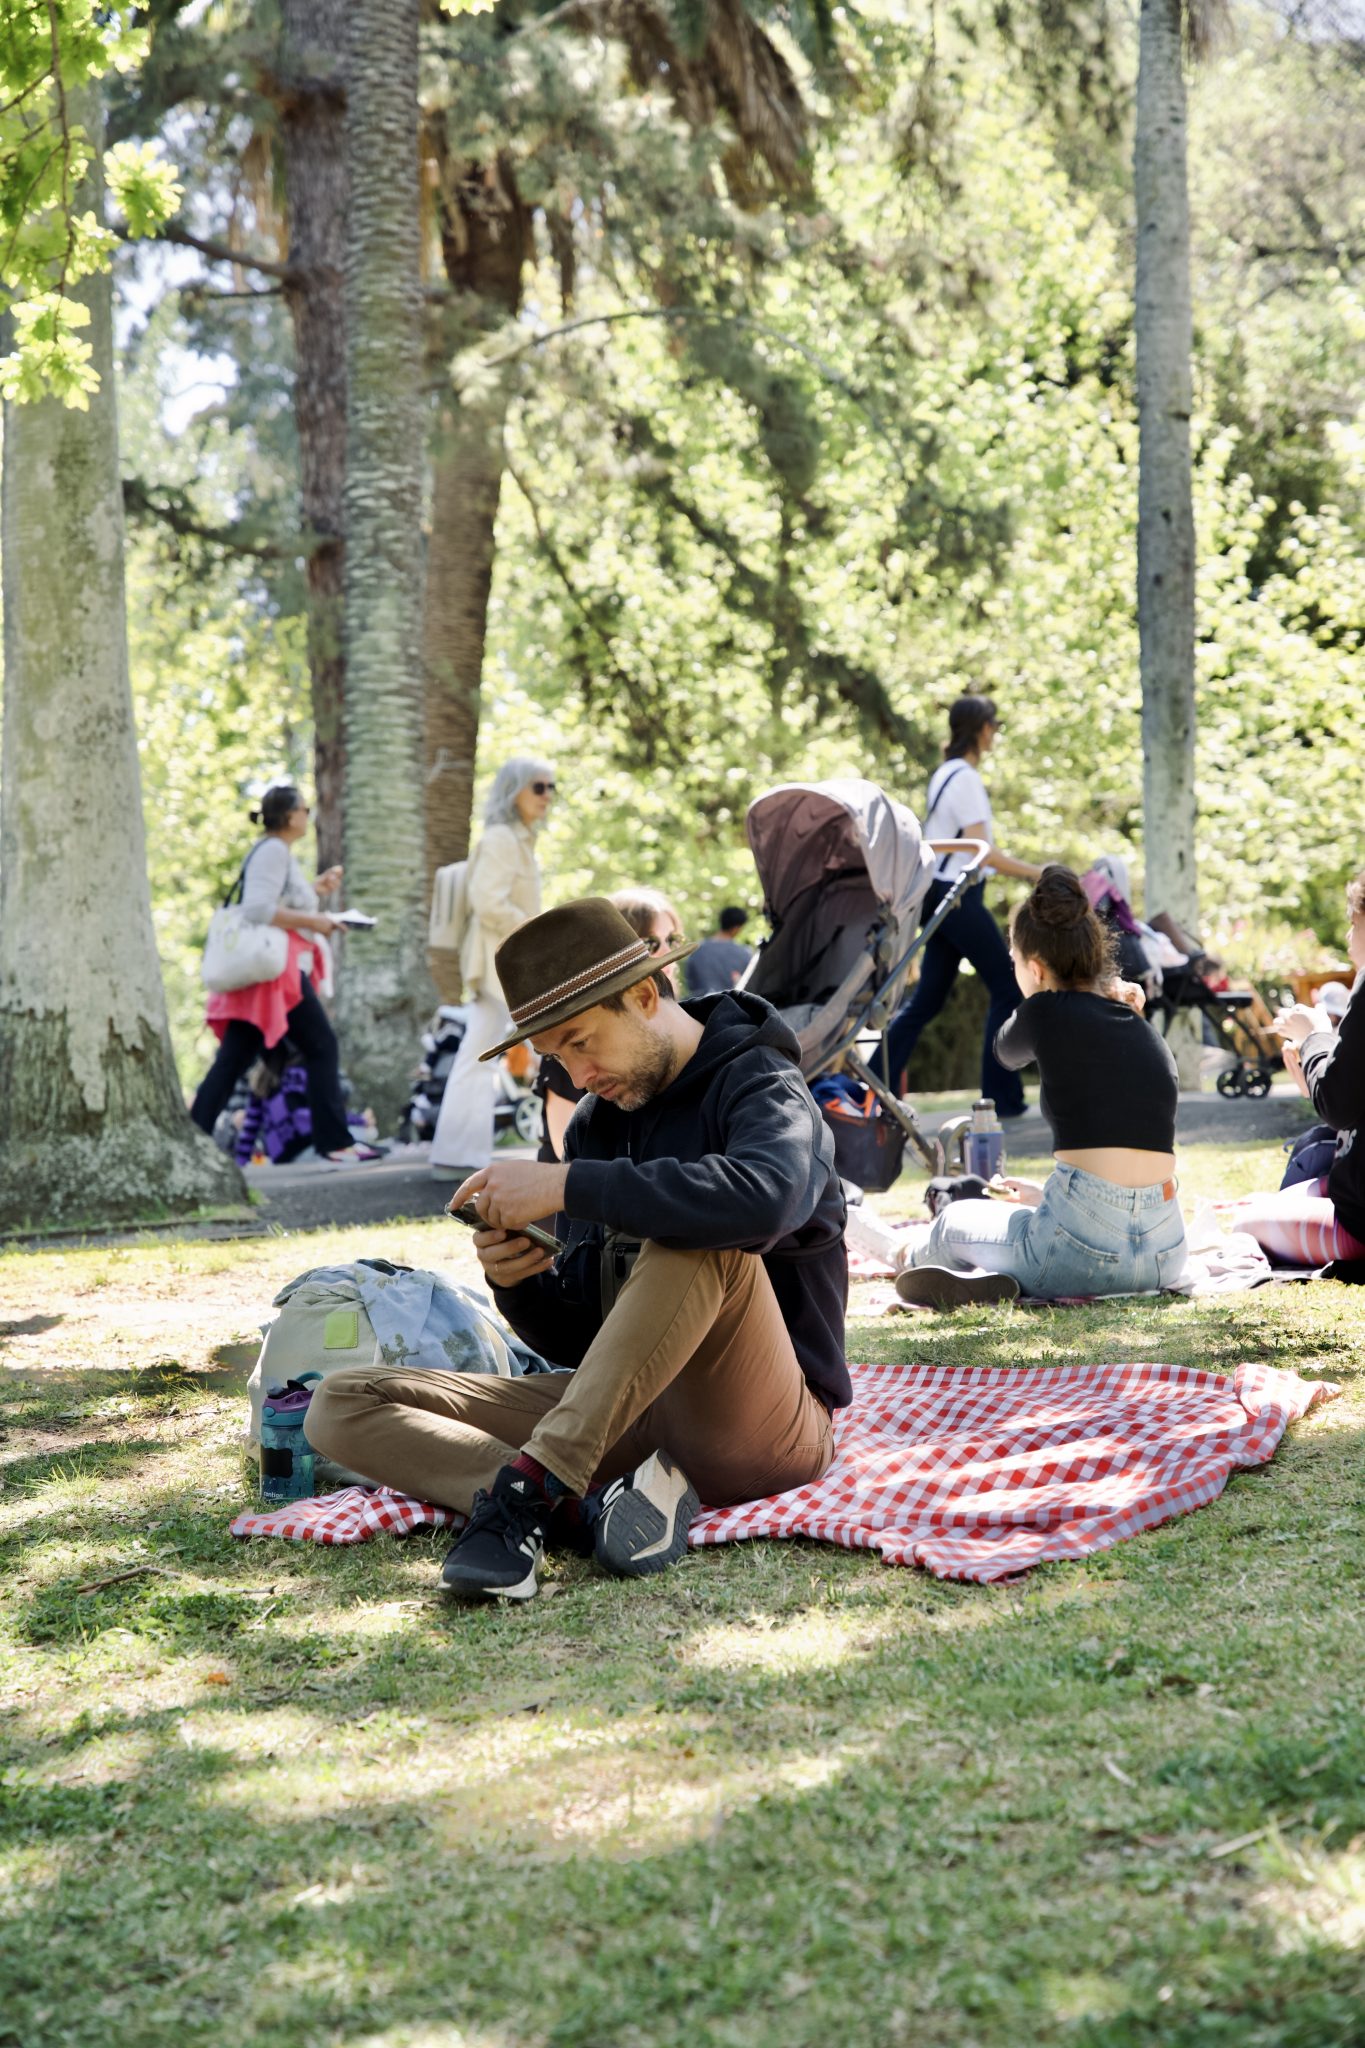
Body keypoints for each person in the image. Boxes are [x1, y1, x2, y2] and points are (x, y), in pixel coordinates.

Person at [307, 896, 849, 1600]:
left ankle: (523, 1500)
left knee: (698, 1232)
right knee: (342, 1402)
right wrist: (519, 1282)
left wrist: (568, 1185)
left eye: (581, 1041)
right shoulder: (598, 1123)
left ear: (645, 995)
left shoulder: (760, 1082)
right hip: (626, 1428)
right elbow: (588, 1343)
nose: (578, 1074)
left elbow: (764, 1199)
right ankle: (589, 1511)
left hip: (761, 1431)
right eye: (557, 1056)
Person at [891, 866, 1187, 1307]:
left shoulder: (1043, 1011)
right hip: (1166, 1252)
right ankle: (1013, 1260)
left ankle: (904, 1256)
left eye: (1013, 963)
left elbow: (1005, 1052)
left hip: (1080, 1253)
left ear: (1034, 967)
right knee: (1025, 1217)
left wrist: (1040, 1000)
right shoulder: (1138, 1023)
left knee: (955, 1220)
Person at [190, 785, 377, 1164]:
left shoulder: (277, 852)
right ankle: (334, 1142)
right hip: (276, 976)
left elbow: (273, 900)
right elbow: (259, 909)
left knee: (235, 1059)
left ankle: (192, 1137)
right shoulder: (274, 850)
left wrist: (314, 890)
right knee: (320, 1044)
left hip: (272, 976)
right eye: (305, 809)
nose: (309, 815)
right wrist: (317, 920)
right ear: (290, 816)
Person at [880, 695, 1043, 1117]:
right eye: (994, 725)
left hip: (941, 890)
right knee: (1008, 984)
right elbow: (981, 852)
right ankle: (1000, 1098)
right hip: (957, 892)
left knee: (928, 999)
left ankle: (875, 1084)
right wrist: (1037, 872)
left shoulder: (944, 774)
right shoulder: (965, 778)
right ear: (982, 729)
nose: (995, 733)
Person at [1223, 871, 1365, 1268]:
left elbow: (1339, 1106)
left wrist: (1315, 1036)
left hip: (1357, 1223)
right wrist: (1316, 1081)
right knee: (1277, 1201)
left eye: (1354, 924)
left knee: (1244, 1221)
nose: (1351, 940)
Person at [430, 758, 554, 1179]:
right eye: (538, 787)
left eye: (551, 787)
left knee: (481, 1053)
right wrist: (537, 930)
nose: (547, 795)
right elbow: (488, 902)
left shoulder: (518, 839)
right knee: (485, 1053)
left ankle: (460, 1152)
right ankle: (459, 1154)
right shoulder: (502, 838)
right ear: (514, 790)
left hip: (504, 962)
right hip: (498, 963)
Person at [536, 887, 686, 1163]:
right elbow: (568, 1156)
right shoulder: (569, 1036)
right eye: (650, 943)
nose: (667, 953)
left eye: (672, 940)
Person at [685, 906, 753, 997]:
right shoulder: (744, 953)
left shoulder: (697, 950)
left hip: (698, 1006)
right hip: (731, 1006)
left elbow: (690, 982)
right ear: (736, 928)